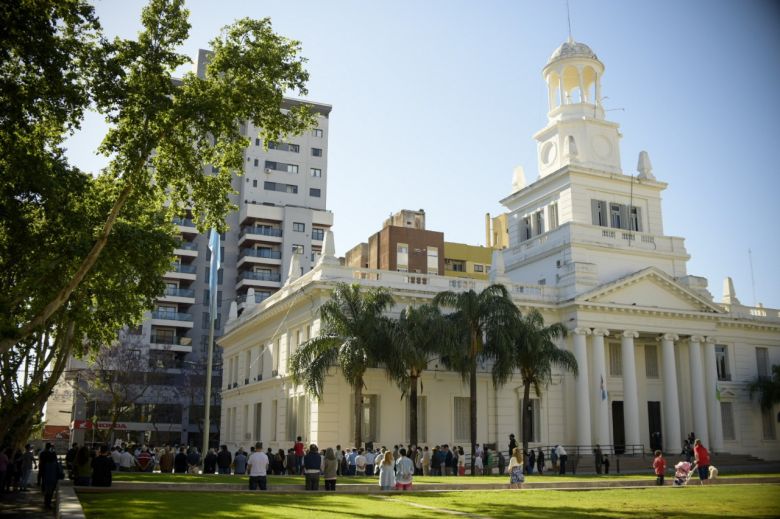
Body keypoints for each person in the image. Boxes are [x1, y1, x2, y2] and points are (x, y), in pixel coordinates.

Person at [39, 444, 61, 510]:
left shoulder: (45, 460)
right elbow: (59, 472)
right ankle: (48, 504)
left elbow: (41, 461)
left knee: (47, 490)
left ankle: (46, 503)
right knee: (50, 492)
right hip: (53, 478)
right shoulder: (55, 464)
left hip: (45, 475)